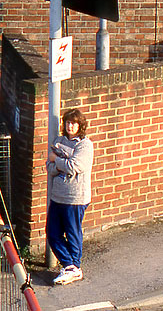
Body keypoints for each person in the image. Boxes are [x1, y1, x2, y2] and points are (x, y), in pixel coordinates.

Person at [46, 107, 94, 285]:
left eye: (73, 123)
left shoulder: (84, 145)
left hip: (75, 198)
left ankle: (75, 266)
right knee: (52, 233)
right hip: (57, 196)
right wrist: (60, 164)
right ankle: (70, 266)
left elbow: (75, 166)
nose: (70, 126)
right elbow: (49, 167)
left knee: (72, 233)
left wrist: (57, 161)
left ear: (80, 125)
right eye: (67, 122)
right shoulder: (59, 141)